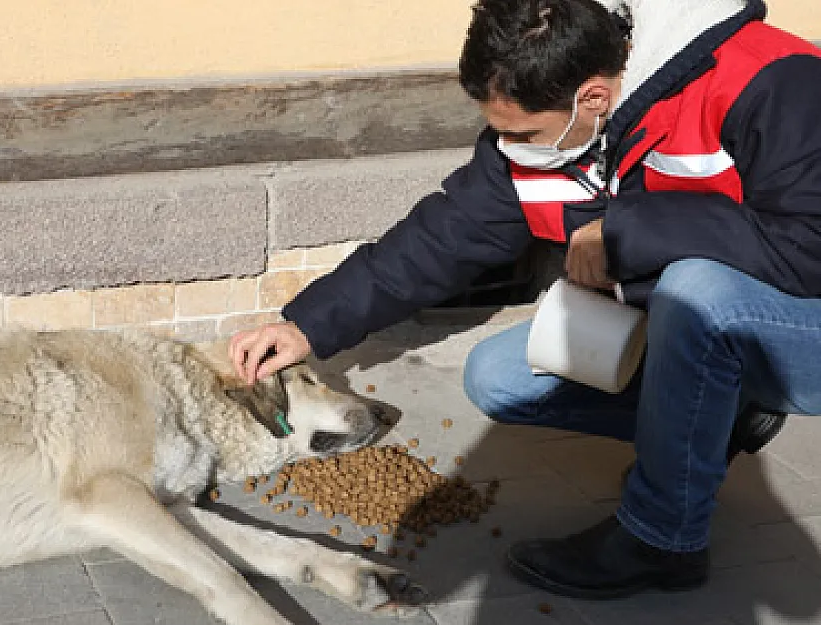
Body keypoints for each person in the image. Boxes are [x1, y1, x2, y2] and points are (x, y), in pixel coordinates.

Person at [228, 0, 821, 600]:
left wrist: (626, 230)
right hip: (719, 334)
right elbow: (442, 236)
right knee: (501, 376)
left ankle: (663, 540)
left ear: (593, 98)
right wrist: (305, 326)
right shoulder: (545, 129)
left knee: (699, 290)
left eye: (522, 131)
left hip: (804, 328)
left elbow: (811, 244)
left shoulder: (772, 80)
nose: (510, 146)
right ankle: (725, 414)